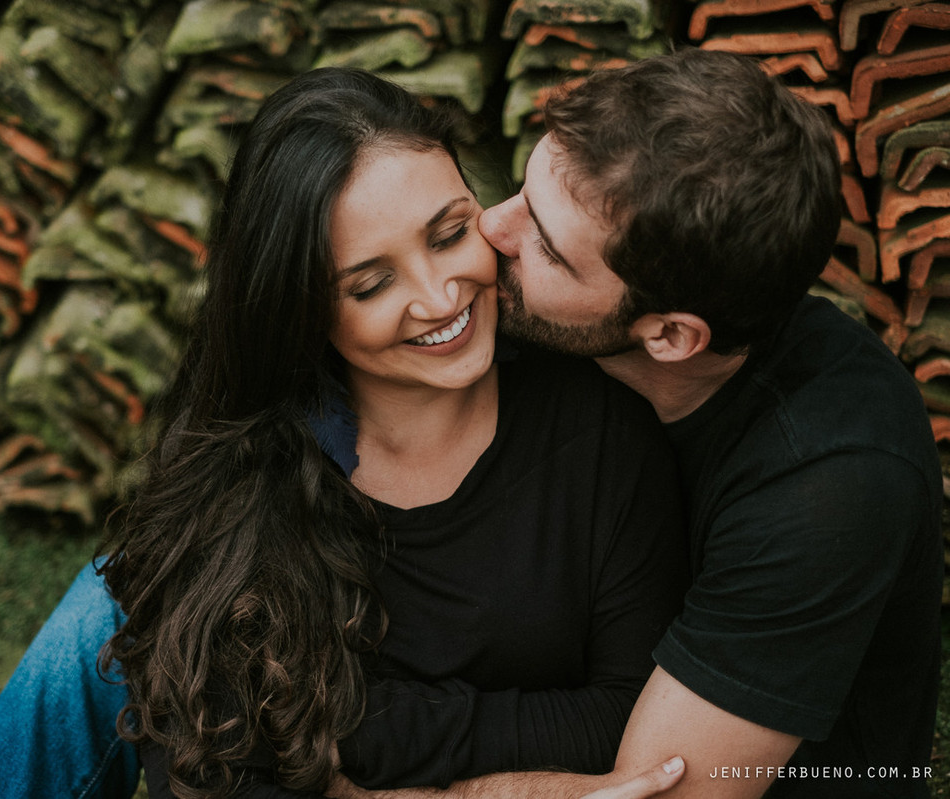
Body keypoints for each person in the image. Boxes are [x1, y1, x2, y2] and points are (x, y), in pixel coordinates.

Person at [0, 68, 690, 798]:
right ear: (303, 307)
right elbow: (219, 773)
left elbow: (627, 725)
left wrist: (349, 736)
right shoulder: (247, 476)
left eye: (450, 232)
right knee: (106, 607)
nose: (439, 295)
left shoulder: (599, 429)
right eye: (371, 282)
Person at [334, 48, 942, 799]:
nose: (494, 227)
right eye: (523, 190)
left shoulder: (829, 478)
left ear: (671, 335)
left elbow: (655, 790)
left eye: (548, 248)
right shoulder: (563, 334)